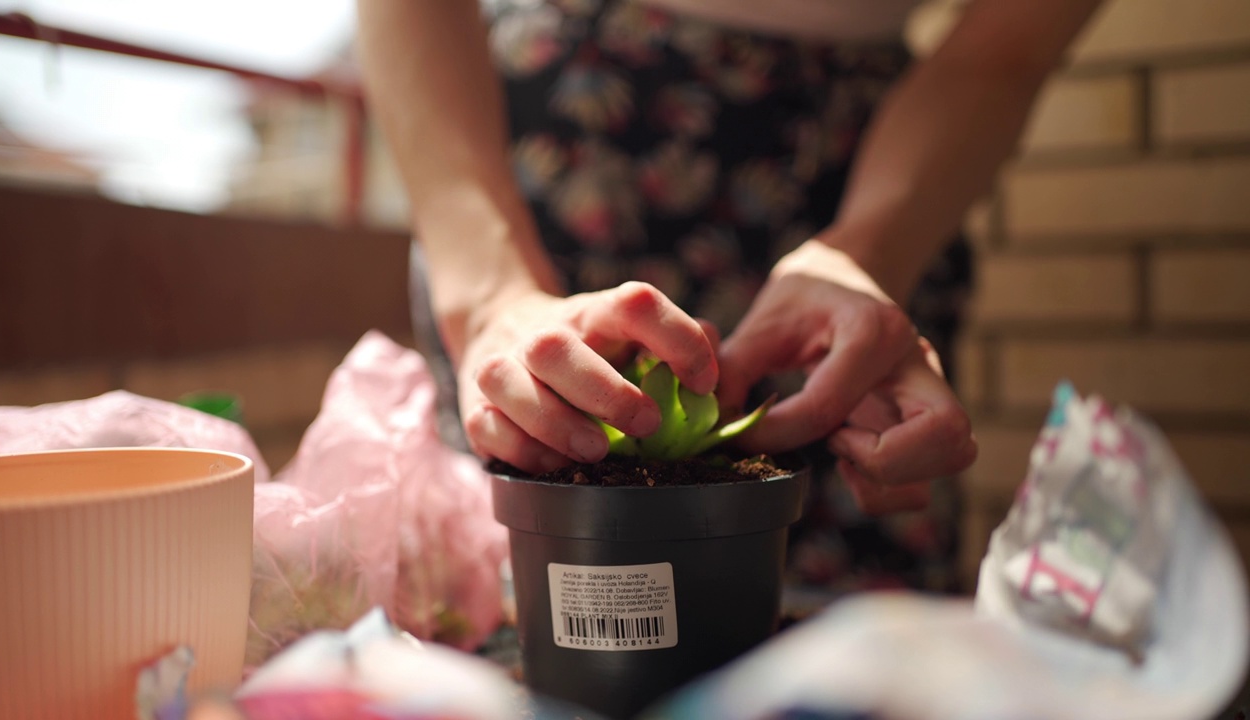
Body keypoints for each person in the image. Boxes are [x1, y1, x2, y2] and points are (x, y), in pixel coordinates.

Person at [356, 0, 1102, 593]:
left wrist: (864, 256)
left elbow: (1005, 50)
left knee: (851, 582)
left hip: (861, 169)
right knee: (529, 583)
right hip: (539, 174)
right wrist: (492, 298)